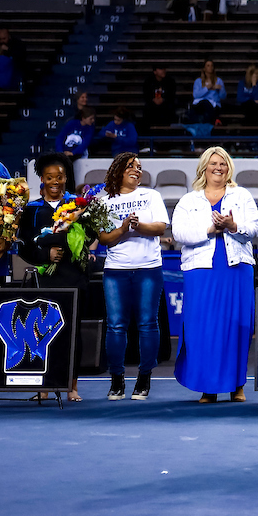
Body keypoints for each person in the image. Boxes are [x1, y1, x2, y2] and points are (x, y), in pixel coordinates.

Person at [172, 147, 258, 403]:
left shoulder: (241, 195)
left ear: (228, 167)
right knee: (203, 327)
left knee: (237, 326)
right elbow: (179, 233)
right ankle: (208, 387)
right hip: (201, 271)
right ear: (204, 167)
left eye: (223, 163)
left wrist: (233, 226)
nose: (218, 167)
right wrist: (210, 229)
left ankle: (237, 385)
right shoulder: (189, 200)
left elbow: (254, 227)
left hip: (236, 268)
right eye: (213, 163)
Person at [17, 153, 90, 401]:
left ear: (66, 178)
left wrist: (80, 249)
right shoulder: (32, 210)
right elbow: (23, 246)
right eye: (50, 177)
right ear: (42, 179)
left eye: (59, 176)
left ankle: (72, 386)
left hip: (74, 277)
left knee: (71, 332)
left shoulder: (78, 206)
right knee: (41, 331)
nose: (55, 181)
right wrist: (44, 254)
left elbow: (89, 238)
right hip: (44, 280)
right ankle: (44, 386)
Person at [96, 154, 168, 401]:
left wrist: (139, 227)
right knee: (116, 325)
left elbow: (160, 227)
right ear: (118, 170)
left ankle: (144, 377)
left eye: (139, 167)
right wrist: (123, 228)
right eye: (131, 167)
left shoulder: (151, 196)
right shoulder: (103, 202)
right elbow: (104, 239)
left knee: (148, 323)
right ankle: (116, 379)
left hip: (148, 268)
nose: (137, 170)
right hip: (116, 270)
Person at [55, 106, 96, 173]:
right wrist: (60, 151)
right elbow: (60, 137)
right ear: (83, 118)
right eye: (91, 119)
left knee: (68, 163)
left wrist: (73, 153)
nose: (93, 121)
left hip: (78, 153)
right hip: (65, 151)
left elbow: (85, 143)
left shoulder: (90, 128)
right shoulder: (71, 124)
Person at [190, 60, 226, 125]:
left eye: (212, 65)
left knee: (208, 107)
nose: (210, 67)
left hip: (214, 105)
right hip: (200, 104)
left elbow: (223, 96)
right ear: (204, 68)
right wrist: (206, 88)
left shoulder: (218, 81)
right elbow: (195, 95)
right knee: (205, 103)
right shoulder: (198, 81)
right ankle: (215, 120)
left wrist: (221, 89)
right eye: (208, 65)